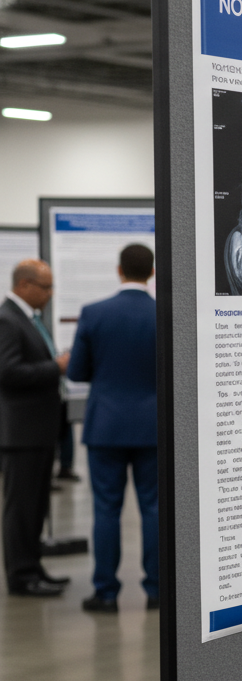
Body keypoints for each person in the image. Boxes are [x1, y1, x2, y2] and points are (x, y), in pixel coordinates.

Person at [66, 245, 159, 612]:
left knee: (106, 510)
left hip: (105, 426)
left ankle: (105, 592)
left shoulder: (94, 313)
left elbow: (75, 372)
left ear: (119, 270)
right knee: (153, 509)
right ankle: (156, 591)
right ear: (151, 272)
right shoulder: (162, 313)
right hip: (152, 428)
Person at [0, 260, 71, 597]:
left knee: (36, 505)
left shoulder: (27, 319)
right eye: (45, 287)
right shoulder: (7, 319)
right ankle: (22, 576)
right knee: (22, 507)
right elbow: (8, 372)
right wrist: (54, 367)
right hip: (22, 432)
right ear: (25, 285)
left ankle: (33, 566)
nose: (50, 293)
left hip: (38, 430)